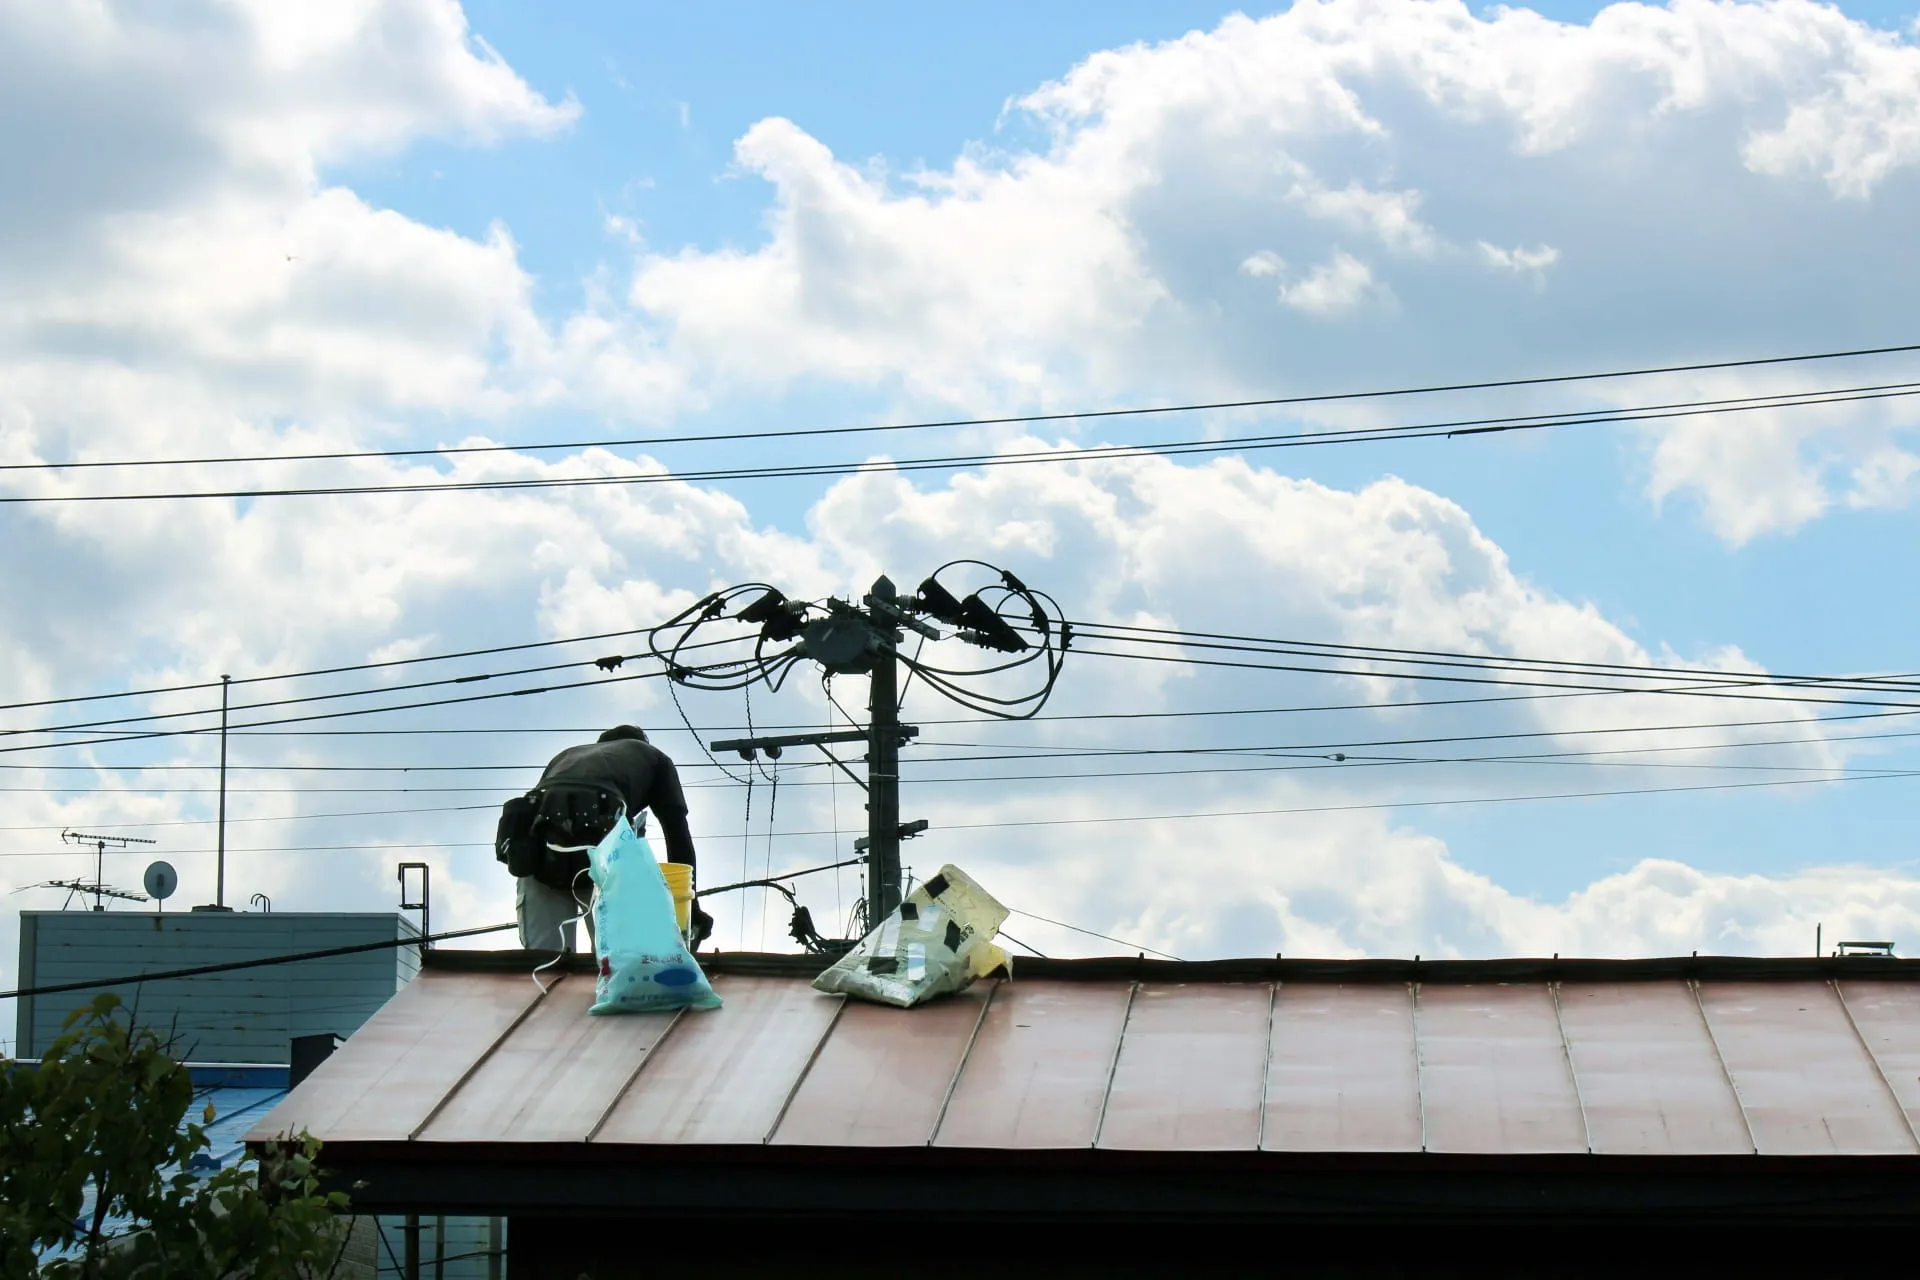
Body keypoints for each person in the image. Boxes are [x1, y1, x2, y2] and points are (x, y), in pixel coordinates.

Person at [497, 725, 713, 952]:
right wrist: (692, 908)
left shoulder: (567, 755)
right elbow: (677, 836)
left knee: (543, 962)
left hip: (541, 853)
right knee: (616, 961)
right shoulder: (654, 758)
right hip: (605, 845)